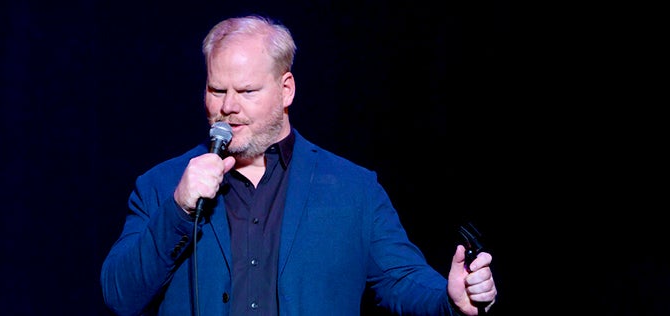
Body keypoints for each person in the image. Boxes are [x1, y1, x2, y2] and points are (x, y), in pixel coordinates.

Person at [100, 14, 497, 316]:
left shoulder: (352, 189)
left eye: (247, 91)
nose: (228, 107)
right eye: (217, 90)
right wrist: (179, 209)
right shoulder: (162, 185)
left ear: (286, 89)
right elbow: (120, 295)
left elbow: (401, 277)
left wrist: (449, 297)